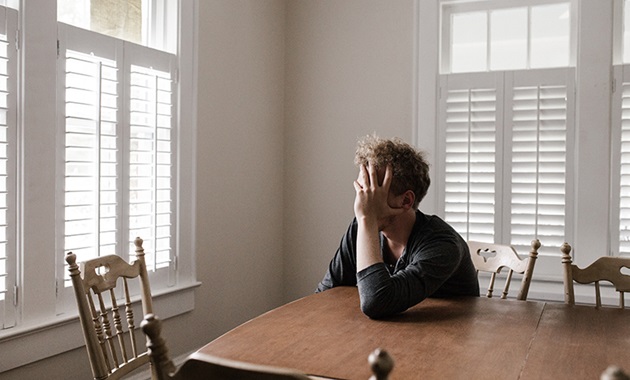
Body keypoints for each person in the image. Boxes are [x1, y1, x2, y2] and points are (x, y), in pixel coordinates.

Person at [316, 134, 479, 319]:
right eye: (361, 190)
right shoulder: (361, 228)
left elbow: (376, 302)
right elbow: (325, 294)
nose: (361, 201)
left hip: (448, 339)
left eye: (371, 191)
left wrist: (367, 219)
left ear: (406, 200)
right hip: (387, 335)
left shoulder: (443, 245)